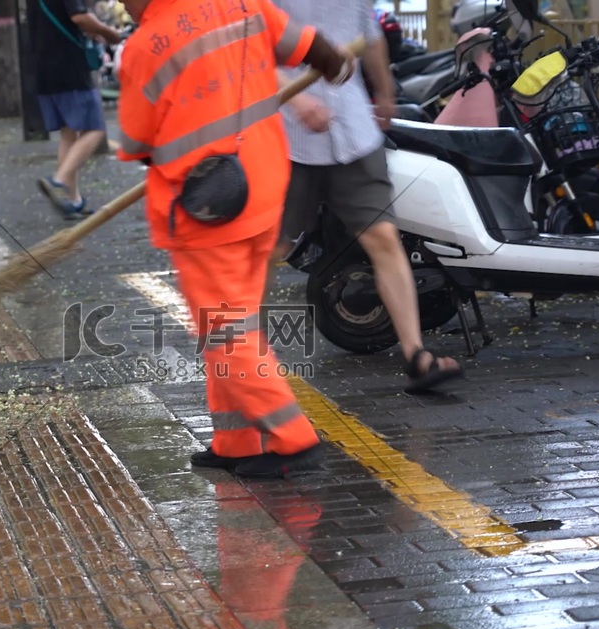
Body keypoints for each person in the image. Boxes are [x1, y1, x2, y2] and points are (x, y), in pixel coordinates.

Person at [114, 0, 356, 478]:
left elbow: (134, 140)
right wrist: (333, 61)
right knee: (233, 325)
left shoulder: (144, 47)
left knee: (226, 333)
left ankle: (294, 439)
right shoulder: (240, 2)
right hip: (264, 185)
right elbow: (308, 46)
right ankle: (236, 441)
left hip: (210, 207)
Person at [269, 0, 465, 393]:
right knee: (269, 250)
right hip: (286, 134)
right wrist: (295, 98)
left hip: (353, 128)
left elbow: (369, 33)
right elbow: (248, 52)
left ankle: (416, 356)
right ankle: (244, 363)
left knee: (382, 236)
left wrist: (385, 91)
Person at [29, 0, 123, 220]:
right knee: (95, 129)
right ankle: (59, 181)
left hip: (44, 72)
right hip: (70, 69)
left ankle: (73, 201)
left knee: (68, 135)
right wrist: (110, 34)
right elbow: (79, 16)